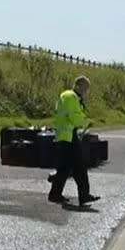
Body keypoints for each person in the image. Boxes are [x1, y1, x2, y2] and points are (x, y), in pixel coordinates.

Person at [47, 76, 101, 205]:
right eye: (86, 89)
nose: (87, 92)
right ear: (79, 87)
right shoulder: (71, 97)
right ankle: (84, 195)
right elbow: (75, 118)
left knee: (64, 168)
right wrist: (86, 121)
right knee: (79, 167)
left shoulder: (72, 97)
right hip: (68, 137)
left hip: (66, 136)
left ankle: (55, 194)